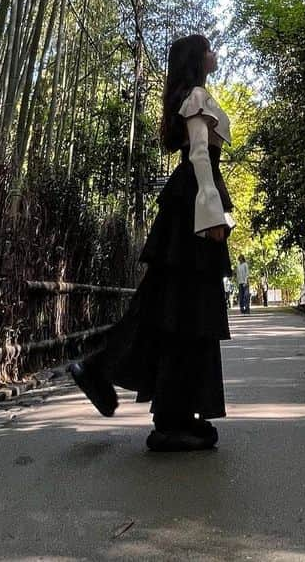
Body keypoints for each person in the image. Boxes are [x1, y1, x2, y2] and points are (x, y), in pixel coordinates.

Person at [69, 33, 234, 452]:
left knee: (172, 303)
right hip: (196, 199)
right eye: (209, 48)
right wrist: (211, 213)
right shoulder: (196, 96)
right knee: (181, 303)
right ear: (198, 58)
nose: (215, 54)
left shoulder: (192, 95)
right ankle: (165, 412)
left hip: (191, 198)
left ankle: (168, 408)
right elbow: (199, 155)